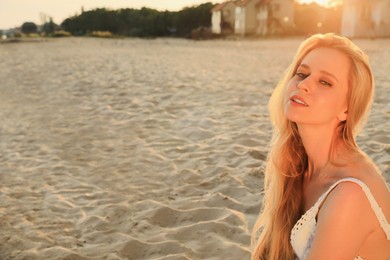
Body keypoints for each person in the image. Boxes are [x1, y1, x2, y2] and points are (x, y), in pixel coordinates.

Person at [251, 33, 390, 260]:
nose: (304, 85)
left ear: (347, 109)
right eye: (302, 74)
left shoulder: (349, 194)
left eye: (325, 82)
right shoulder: (298, 164)